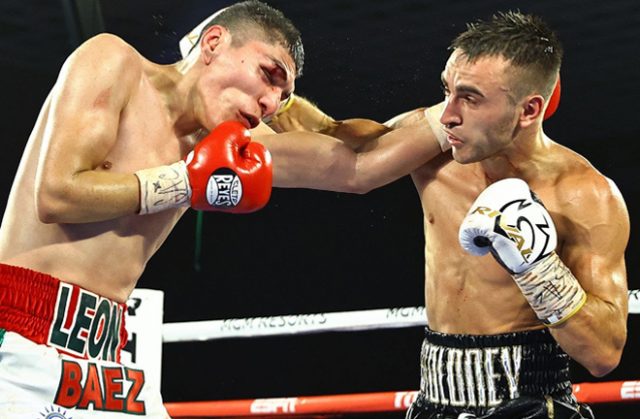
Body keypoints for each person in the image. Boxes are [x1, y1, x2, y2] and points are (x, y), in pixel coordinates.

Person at [266, 11, 629, 419]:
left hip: (528, 401)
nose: (447, 114)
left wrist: (538, 269)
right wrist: (272, 93)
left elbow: (604, 352)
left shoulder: (584, 195)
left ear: (528, 111)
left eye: (470, 98)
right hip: (433, 400)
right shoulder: (436, 146)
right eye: (447, 90)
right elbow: (338, 141)